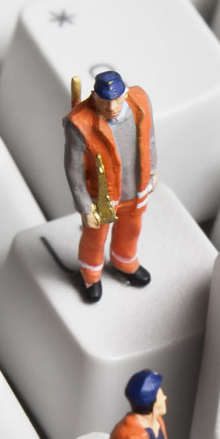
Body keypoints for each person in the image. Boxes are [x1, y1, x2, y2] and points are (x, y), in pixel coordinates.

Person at [63, 70, 157, 303]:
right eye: (105, 101)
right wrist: (85, 207)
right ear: (95, 97)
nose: (112, 106)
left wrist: (153, 169)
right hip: (101, 196)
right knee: (95, 237)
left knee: (131, 229)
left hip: (136, 187)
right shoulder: (79, 123)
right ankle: (90, 274)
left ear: (125, 94)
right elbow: (73, 169)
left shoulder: (141, 103)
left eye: (117, 99)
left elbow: (150, 138)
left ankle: (124, 262)